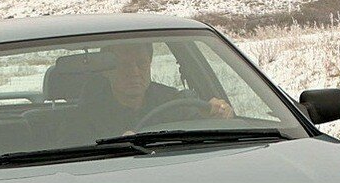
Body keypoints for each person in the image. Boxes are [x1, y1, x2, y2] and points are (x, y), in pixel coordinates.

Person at [76, 42, 232, 139]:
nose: (135, 72)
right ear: (107, 71)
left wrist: (217, 113)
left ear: (150, 62)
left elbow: (200, 129)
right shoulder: (87, 114)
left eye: (141, 63)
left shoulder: (174, 101)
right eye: (124, 65)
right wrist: (114, 147)